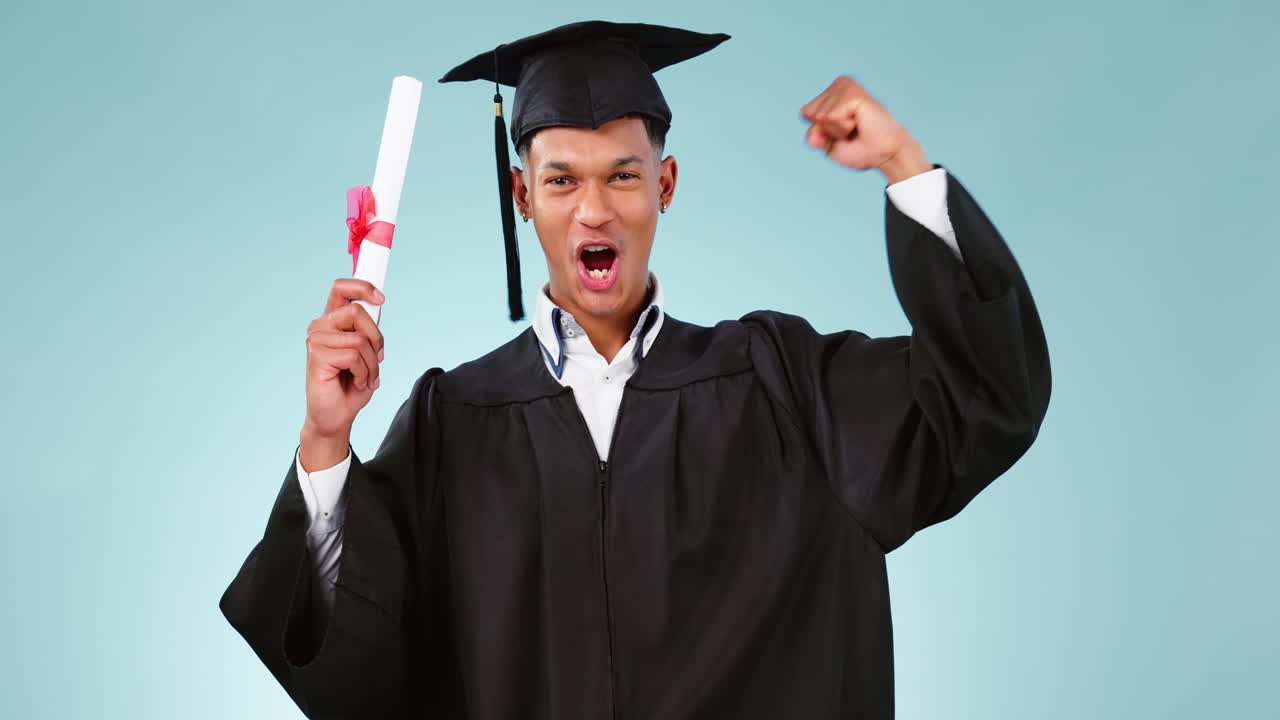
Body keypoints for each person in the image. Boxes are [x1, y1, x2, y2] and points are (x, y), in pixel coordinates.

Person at [220, 20, 1051, 719]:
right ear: (521, 196)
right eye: (561, 180)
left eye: (624, 175)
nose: (594, 208)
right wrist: (326, 442)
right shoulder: (454, 418)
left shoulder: (782, 382)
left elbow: (983, 394)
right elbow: (357, 659)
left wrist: (905, 168)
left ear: (666, 185)